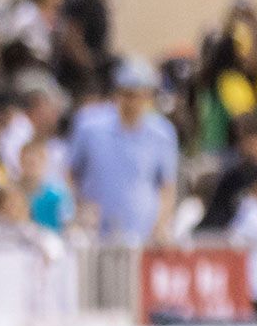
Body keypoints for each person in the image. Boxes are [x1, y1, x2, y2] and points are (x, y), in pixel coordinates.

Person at [68, 58, 181, 243]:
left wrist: (161, 224)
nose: (132, 102)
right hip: (95, 233)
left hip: (142, 234)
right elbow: (70, 173)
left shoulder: (162, 133)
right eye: (127, 94)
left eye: (139, 95)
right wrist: (77, 208)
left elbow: (167, 186)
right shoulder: (90, 126)